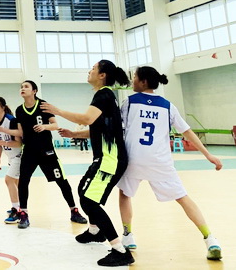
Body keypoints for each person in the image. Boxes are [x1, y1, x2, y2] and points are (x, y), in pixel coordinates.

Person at [117, 66, 222, 260]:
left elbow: (115, 128)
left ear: (143, 82)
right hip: (160, 161)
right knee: (183, 198)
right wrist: (208, 155)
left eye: (135, 77)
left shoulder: (129, 102)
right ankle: (210, 239)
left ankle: (127, 235)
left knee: (125, 194)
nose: (132, 81)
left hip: (134, 159)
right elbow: (187, 132)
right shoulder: (167, 106)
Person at [47, 60, 133, 267]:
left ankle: (120, 250)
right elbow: (98, 128)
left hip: (110, 159)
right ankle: (95, 231)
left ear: (102, 75)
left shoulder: (104, 95)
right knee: (82, 190)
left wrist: (58, 111)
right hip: (105, 158)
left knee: (89, 201)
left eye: (93, 69)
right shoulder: (104, 96)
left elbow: (86, 118)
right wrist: (74, 134)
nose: (89, 71)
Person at [0, 81, 86, 230]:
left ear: (34, 91)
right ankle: (24, 214)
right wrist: (2, 131)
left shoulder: (43, 105)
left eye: (26, 87)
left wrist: (44, 126)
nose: (22, 89)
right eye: (21, 87)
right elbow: (20, 132)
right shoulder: (19, 110)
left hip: (46, 151)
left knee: (62, 181)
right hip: (29, 151)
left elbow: (55, 125)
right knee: (23, 182)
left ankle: (74, 210)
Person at [0, 96, 22, 224]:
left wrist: (2, 142)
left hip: (19, 155)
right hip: (10, 157)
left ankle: (16, 210)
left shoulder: (11, 120)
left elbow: (19, 143)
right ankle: (20, 207)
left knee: (9, 180)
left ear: (3, 107)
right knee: (16, 183)